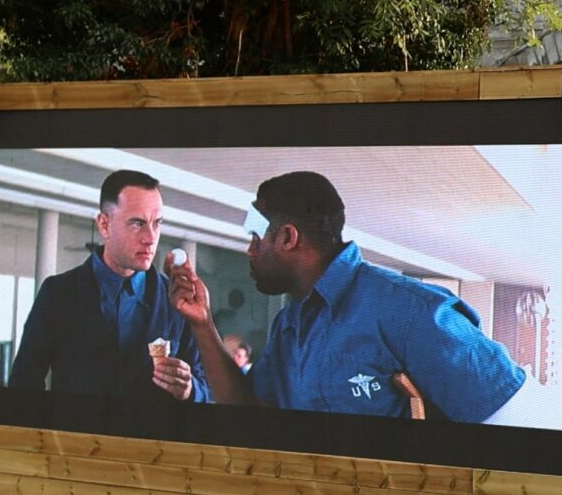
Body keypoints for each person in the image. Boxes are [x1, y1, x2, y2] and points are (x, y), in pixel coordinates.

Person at [168, 170, 535, 423]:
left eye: (256, 238)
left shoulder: (409, 311)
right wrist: (201, 321)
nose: (250, 251)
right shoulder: (289, 327)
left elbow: (517, 418)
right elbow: (246, 408)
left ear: (288, 238)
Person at [7, 168, 210, 403]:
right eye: (137, 223)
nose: (151, 237)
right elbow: (23, 384)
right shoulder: (58, 293)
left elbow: (206, 388)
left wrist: (190, 390)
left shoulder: (176, 300)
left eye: (157, 223)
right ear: (104, 225)